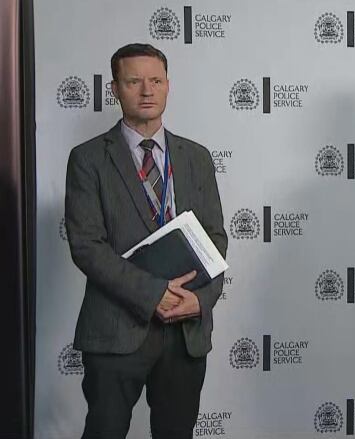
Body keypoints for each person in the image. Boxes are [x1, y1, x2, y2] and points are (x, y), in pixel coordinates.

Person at [64, 43, 227, 439]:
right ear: (116, 89)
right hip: (116, 328)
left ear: (168, 86)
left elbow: (215, 239)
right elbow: (87, 245)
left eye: (155, 80)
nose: (146, 90)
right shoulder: (88, 158)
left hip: (185, 333)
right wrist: (155, 293)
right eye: (134, 81)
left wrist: (201, 300)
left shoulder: (197, 157)